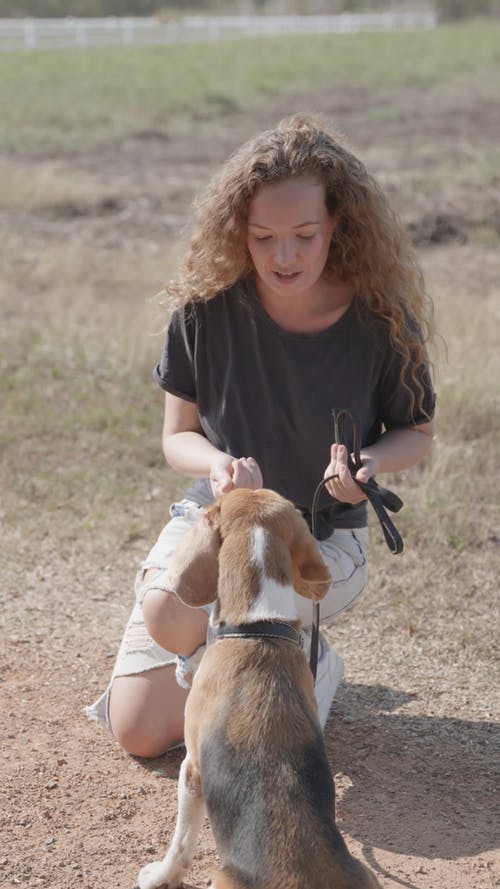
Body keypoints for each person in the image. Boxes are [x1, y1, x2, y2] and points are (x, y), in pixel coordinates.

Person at [86, 113, 435, 758]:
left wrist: (365, 467)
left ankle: (306, 662)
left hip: (321, 538)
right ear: (237, 234)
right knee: (138, 730)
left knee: (251, 743)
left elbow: (416, 432)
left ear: (337, 225)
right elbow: (177, 437)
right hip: (220, 517)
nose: (285, 255)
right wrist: (216, 463)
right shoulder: (203, 312)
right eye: (264, 237)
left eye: (305, 235)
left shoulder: (381, 319)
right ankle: (262, 654)